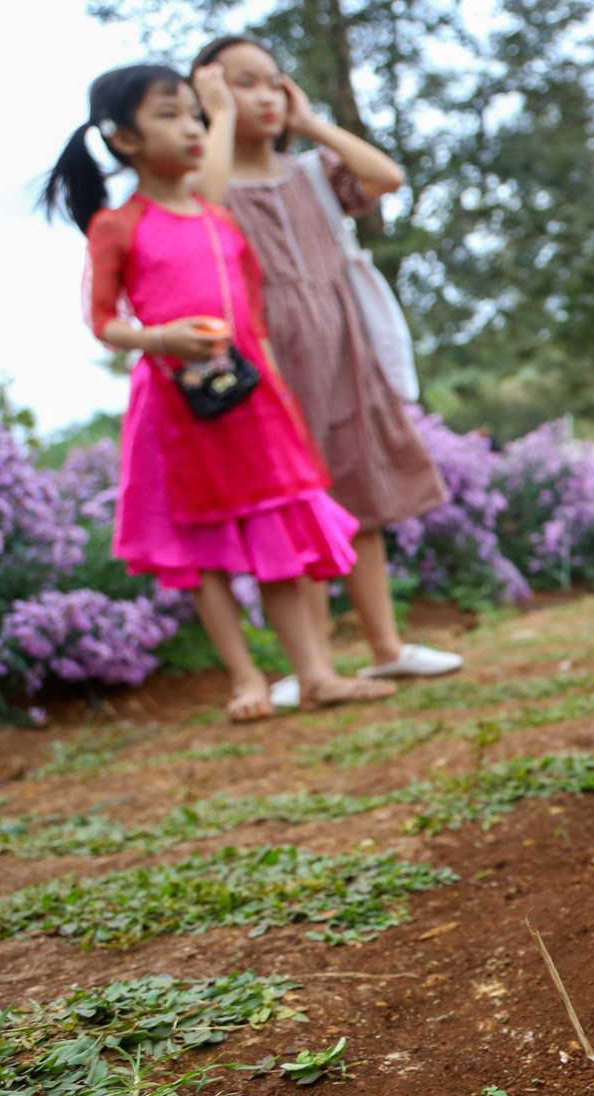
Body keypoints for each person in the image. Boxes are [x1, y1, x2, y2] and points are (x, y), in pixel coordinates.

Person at [40, 63, 398, 722]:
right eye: (169, 115)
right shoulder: (117, 226)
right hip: (175, 409)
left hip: (252, 398)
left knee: (276, 530)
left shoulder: (219, 220)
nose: (192, 128)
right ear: (123, 139)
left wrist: (273, 381)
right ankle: (245, 680)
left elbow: (251, 315)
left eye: (195, 114)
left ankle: (315, 673)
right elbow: (103, 321)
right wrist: (160, 338)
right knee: (202, 545)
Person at [189, 37, 461, 710]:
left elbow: (386, 177)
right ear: (209, 96)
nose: (263, 96)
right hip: (270, 357)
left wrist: (310, 123)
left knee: (358, 490)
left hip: (342, 349)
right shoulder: (210, 178)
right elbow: (204, 207)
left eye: (272, 82)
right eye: (241, 84)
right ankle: (313, 667)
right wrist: (217, 119)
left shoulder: (310, 171)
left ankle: (387, 647)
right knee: (296, 503)